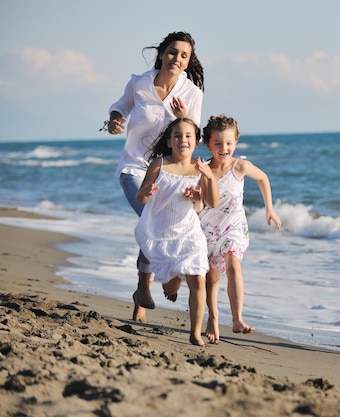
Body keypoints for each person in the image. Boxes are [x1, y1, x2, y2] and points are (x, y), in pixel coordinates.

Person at [106, 31, 204, 323]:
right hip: (134, 167)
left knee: (162, 222)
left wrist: (184, 115)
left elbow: (191, 135)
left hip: (169, 171)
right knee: (151, 216)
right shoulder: (139, 83)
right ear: (162, 53)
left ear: (188, 62)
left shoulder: (192, 94)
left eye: (183, 55)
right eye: (172, 52)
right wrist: (113, 119)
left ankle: (143, 290)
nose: (176, 59)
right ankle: (154, 282)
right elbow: (120, 107)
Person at [134, 118, 219, 346]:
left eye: (188, 136)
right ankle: (169, 282)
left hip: (189, 233)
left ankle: (195, 332)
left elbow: (209, 203)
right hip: (160, 233)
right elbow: (140, 197)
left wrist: (200, 192)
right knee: (171, 286)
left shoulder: (201, 168)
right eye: (178, 136)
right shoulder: (159, 164)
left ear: (197, 141)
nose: (183, 140)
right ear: (170, 142)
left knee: (199, 281)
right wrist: (147, 191)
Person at [198, 115, 281, 344]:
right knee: (211, 279)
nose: (223, 148)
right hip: (208, 228)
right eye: (217, 144)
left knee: (233, 262)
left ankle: (237, 319)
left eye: (228, 143)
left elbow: (263, 178)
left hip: (233, 226)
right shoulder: (203, 169)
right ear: (208, 144)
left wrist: (269, 209)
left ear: (235, 142)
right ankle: (213, 319)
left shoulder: (240, 166)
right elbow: (201, 202)